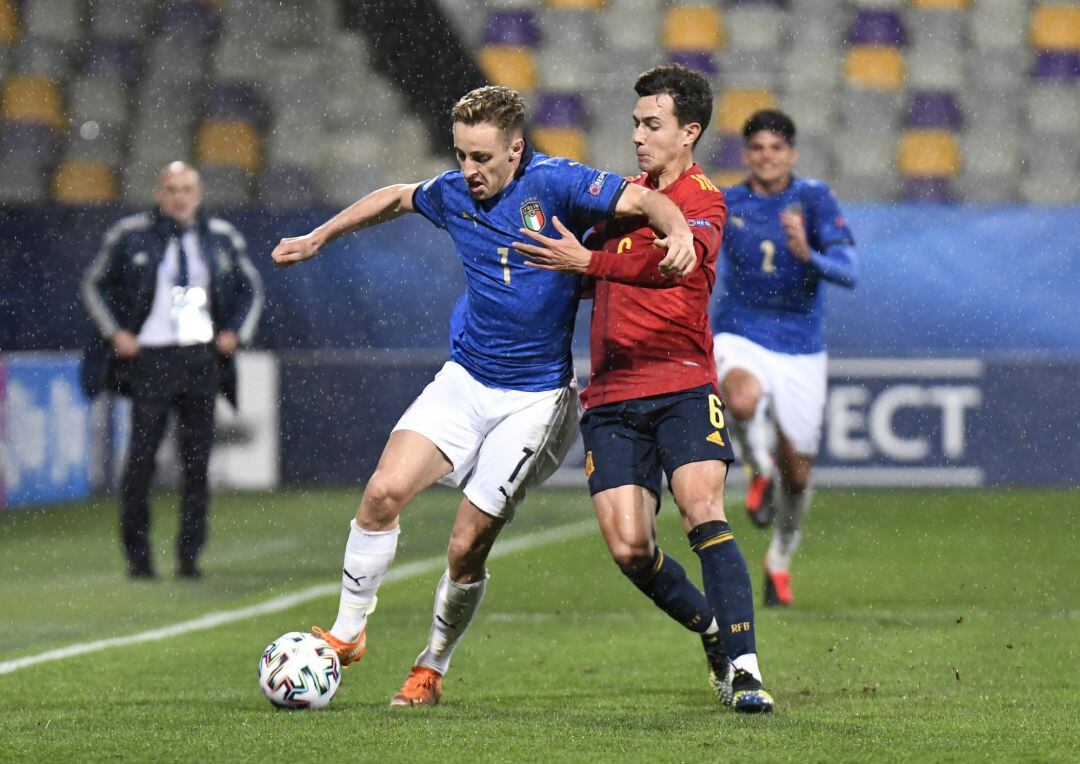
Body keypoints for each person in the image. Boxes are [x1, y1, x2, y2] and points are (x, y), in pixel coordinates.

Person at [270, 85, 698, 707]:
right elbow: (395, 196)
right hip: (466, 379)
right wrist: (319, 237)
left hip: (534, 401)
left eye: (481, 158)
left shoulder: (556, 183)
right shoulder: (451, 193)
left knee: (465, 546)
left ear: (515, 149)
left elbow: (643, 199)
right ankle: (346, 633)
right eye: (461, 155)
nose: (468, 171)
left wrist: (679, 229)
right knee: (383, 492)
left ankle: (431, 667)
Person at [513, 65, 773, 713]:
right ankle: (711, 631)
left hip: (682, 382)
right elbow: (573, 269)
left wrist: (590, 262)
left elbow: (671, 266)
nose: (637, 135)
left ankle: (745, 669)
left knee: (702, 508)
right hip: (613, 395)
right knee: (630, 547)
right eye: (635, 123)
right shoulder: (621, 198)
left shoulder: (705, 202)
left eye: (652, 125)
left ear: (688, 133)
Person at [80, 161, 264, 579]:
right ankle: (138, 557)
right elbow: (94, 284)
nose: (179, 197)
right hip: (150, 359)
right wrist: (116, 333)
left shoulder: (220, 237)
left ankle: (189, 557)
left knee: (196, 463)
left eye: (186, 188)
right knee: (140, 461)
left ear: (199, 193)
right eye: (170, 189)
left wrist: (235, 332)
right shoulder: (130, 235)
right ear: (158, 194)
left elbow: (250, 288)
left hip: (201, 358)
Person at [712, 110, 857, 607]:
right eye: (757, 148)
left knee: (800, 473)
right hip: (742, 329)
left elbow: (849, 269)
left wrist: (808, 254)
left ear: (791, 154)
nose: (766, 157)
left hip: (800, 345)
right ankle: (758, 468)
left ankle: (779, 559)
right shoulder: (729, 202)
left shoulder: (813, 199)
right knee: (742, 398)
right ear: (746, 154)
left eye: (776, 148)